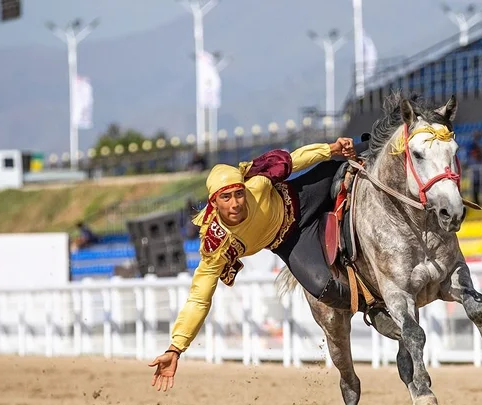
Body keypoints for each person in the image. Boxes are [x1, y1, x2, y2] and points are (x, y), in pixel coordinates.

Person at [148, 138, 396, 391]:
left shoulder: (257, 183)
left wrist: (331, 149)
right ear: (214, 202)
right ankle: (374, 308)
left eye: (238, 194)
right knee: (324, 289)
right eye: (226, 197)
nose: (235, 203)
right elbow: (199, 298)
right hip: (290, 241)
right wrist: (176, 348)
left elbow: (294, 160)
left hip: (304, 196)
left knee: (349, 171)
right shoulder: (217, 245)